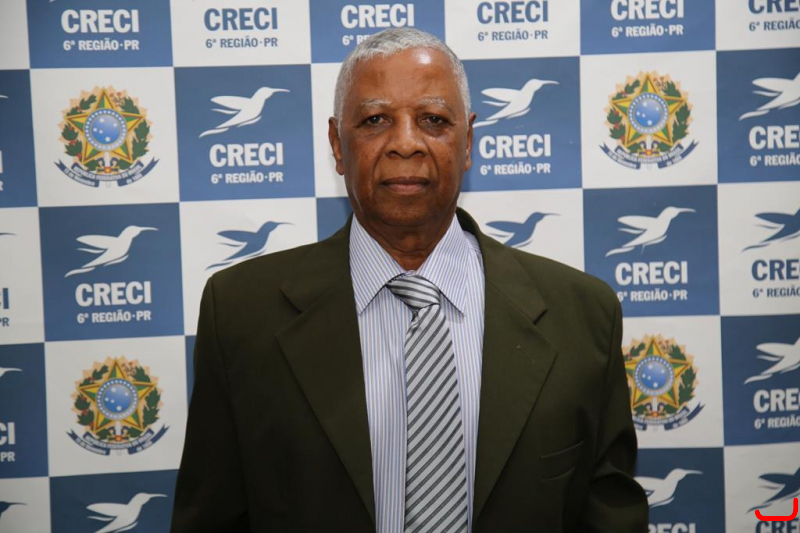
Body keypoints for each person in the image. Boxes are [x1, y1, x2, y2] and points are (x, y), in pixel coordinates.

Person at [172, 28, 648, 532]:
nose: (405, 144)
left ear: (468, 142)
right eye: (375, 120)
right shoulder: (241, 313)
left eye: (433, 120)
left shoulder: (583, 316)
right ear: (337, 144)